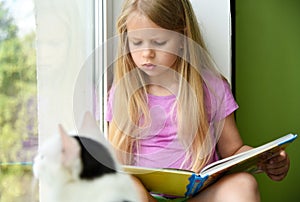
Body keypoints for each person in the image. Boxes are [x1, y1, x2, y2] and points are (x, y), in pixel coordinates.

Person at [105, 0, 290, 201]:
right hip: (148, 197)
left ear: (183, 37)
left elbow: (234, 150)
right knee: (124, 187)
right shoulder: (123, 92)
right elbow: (116, 164)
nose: (147, 53)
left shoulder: (211, 87)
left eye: (159, 42)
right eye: (137, 42)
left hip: (200, 196)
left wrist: (264, 159)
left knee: (244, 185)